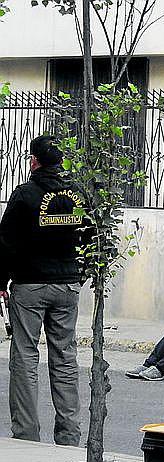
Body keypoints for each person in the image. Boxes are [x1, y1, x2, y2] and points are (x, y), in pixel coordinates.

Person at [0, 135, 88, 445]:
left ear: (35, 161)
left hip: (30, 285)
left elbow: (6, 242)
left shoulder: (25, 194)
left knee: (25, 356)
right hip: (68, 285)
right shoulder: (78, 194)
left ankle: (25, 435)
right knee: (65, 357)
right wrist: (83, 273)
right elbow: (93, 237)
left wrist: (1, 281)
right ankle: (69, 436)